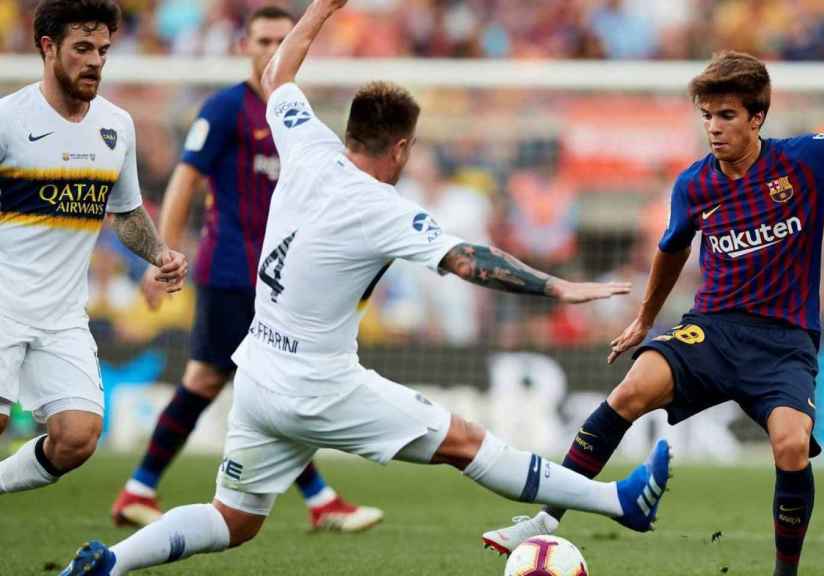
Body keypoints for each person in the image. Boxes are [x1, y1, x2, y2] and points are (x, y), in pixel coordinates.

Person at [59, 1, 671, 574]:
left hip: (260, 372)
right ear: (401, 147)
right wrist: (557, 287)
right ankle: (620, 501)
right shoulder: (381, 207)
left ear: (350, 131)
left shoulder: (305, 145)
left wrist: (322, 8)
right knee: (467, 442)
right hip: (319, 383)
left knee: (234, 518)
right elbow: (467, 259)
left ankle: (113, 562)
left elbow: (278, 75)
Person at [482, 51, 824, 576]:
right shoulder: (694, 185)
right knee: (629, 391)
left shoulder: (804, 161)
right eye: (707, 116)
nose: (714, 128)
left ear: (756, 117)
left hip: (783, 342)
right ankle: (544, 518)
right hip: (713, 330)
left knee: (791, 446)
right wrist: (646, 318)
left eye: (726, 116)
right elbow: (671, 250)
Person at [110, 4, 381, 534]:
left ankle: (138, 489)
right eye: (262, 41)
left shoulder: (295, 116)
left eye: (282, 41)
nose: (271, 51)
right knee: (255, 384)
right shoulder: (225, 109)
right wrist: (159, 253)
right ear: (244, 47)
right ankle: (322, 500)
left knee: (215, 381)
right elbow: (186, 178)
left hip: (276, 278)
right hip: (232, 269)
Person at [0, 0, 187, 494]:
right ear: (48, 47)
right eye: (82, 48)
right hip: (2, 301)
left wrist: (160, 254)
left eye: (103, 49)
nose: (96, 61)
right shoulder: (8, 120)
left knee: (77, 438)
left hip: (62, 315)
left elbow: (125, 214)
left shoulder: (115, 127)